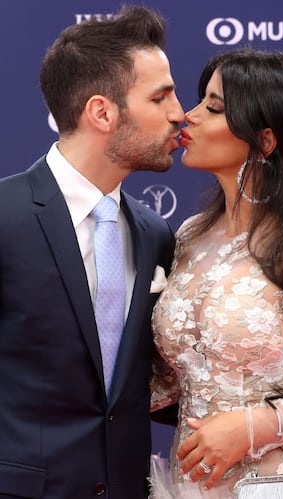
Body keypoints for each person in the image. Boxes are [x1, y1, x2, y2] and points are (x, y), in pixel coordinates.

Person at [150, 48, 283, 498]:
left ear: (266, 140)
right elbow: (181, 372)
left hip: (280, 485)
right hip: (189, 484)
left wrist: (256, 426)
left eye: (214, 107)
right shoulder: (188, 236)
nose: (190, 116)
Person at [0, 5, 184, 499]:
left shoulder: (155, 234)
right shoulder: (4, 216)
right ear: (102, 112)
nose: (179, 113)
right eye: (161, 96)